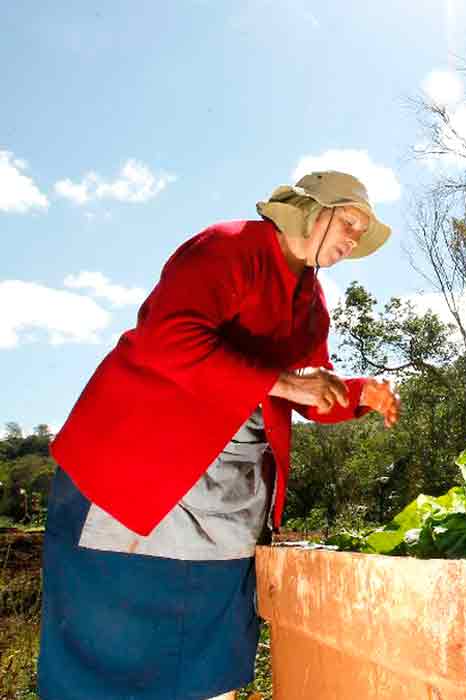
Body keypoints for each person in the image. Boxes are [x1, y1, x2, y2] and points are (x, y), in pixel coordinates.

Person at [39, 171, 400, 700]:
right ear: (310, 211)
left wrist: (358, 394)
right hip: (138, 479)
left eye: (360, 232)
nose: (352, 240)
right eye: (348, 223)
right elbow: (169, 339)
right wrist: (285, 383)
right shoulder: (228, 247)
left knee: (209, 663)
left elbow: (309, 392)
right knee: (107, 657)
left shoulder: (311, 303)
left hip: (228, 503)